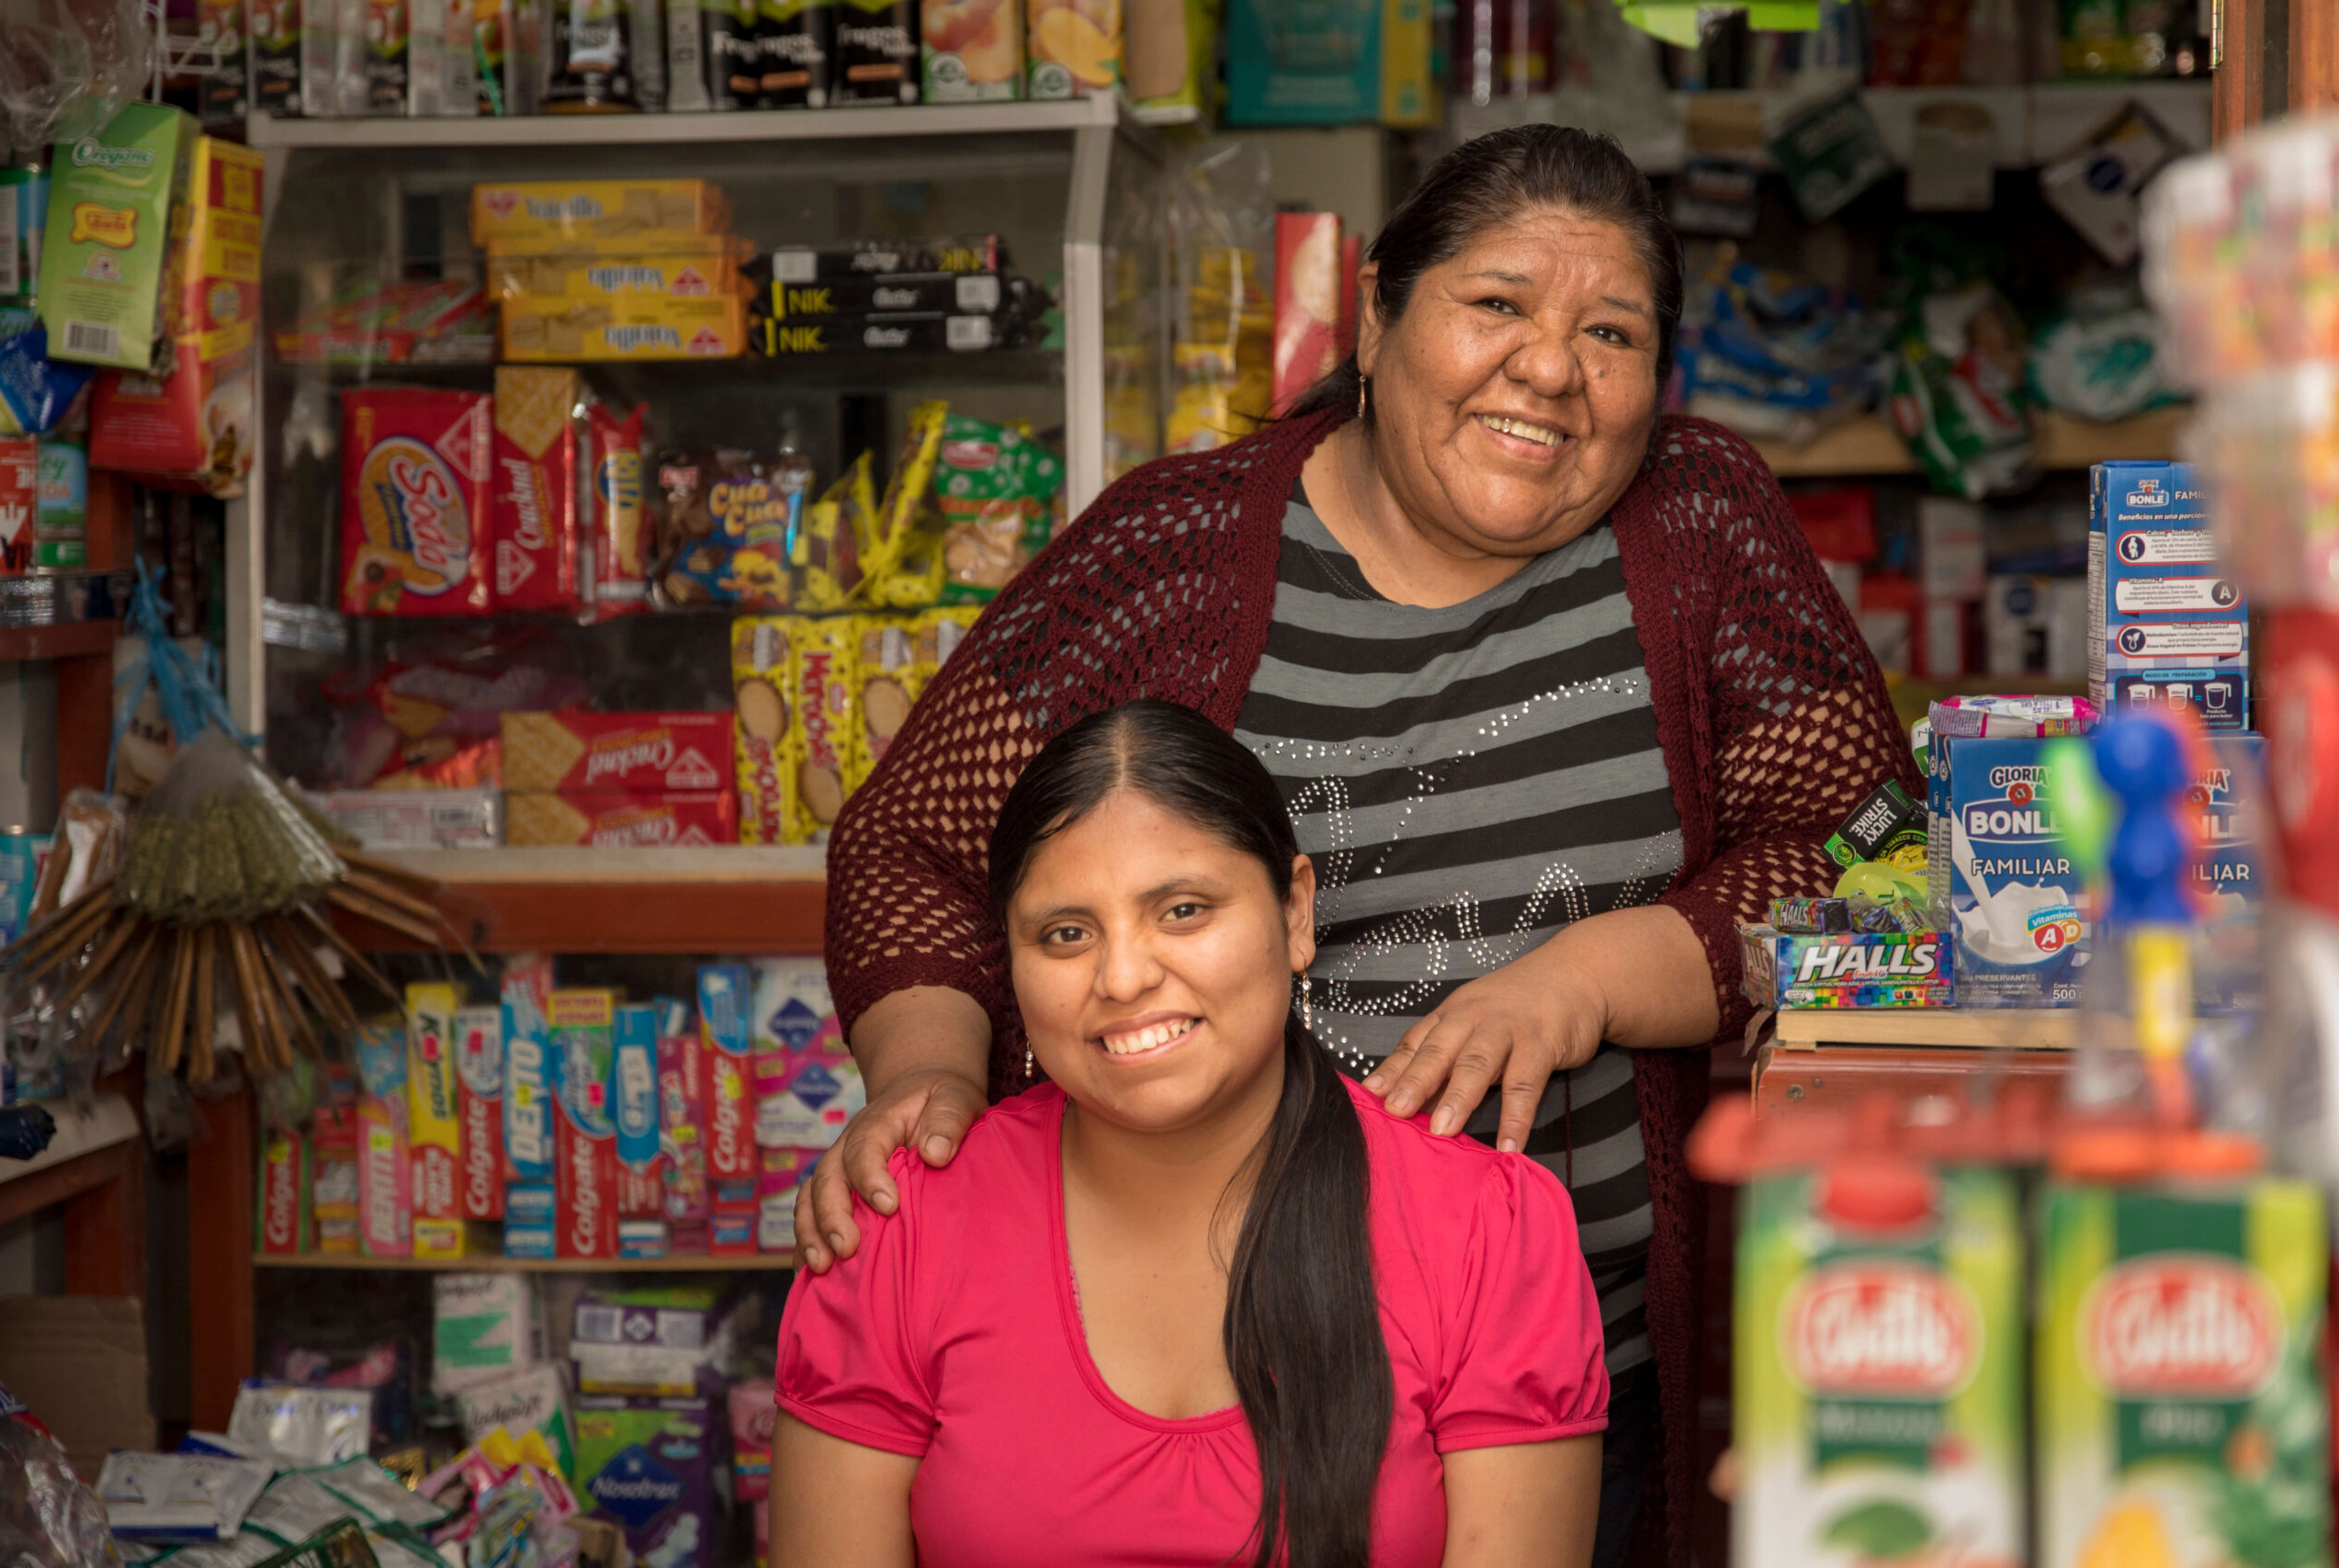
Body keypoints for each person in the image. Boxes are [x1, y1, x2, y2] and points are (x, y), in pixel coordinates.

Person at [808, 123, 1917, 1567]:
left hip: (1576, 1355)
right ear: (1381, 309)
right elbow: (913, 841)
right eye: (1499, 305)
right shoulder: (1177, 548)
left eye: (1611, 330)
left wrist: (1586, 977)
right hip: (1181, 1347)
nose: (1550, 369)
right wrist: (932, 1091)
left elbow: (1870, 854)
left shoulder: (1699, 520)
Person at [771, 701, 1608, 1567]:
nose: (1124, 976)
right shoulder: (898, 1221)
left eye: (1182, 910)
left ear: (1293, 914)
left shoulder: (1488, 1232)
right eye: (1067, 933)